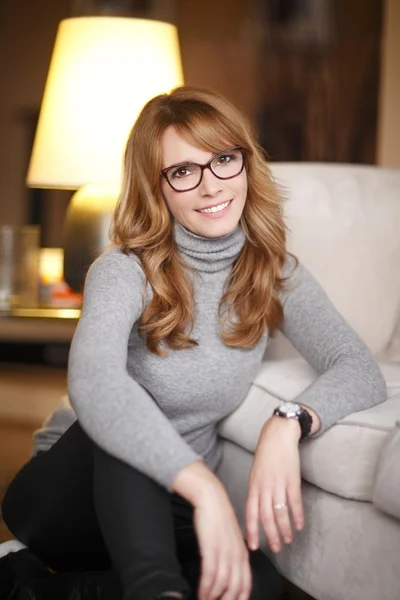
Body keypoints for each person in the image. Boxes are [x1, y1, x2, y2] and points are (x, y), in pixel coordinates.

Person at [1, 86, 386, 600]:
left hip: (163, 505)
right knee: (131, 412)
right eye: (183, 172)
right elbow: (95, 381)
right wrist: (203, 486)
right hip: (69, 497)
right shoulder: (124, 270)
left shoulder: (273, 272)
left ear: (246, 165)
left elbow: (359, 367)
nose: (211, 186)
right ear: (156, 188)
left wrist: (288, 422)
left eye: (223, 159)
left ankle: (23, 586)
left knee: (261, 586)